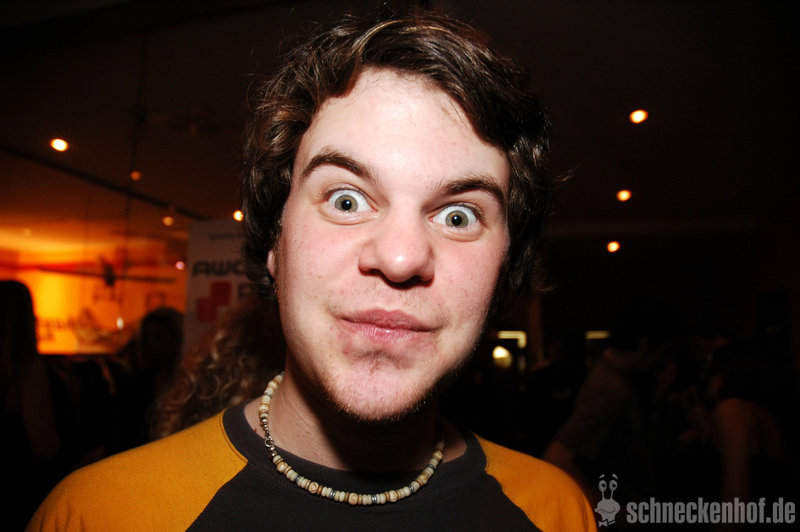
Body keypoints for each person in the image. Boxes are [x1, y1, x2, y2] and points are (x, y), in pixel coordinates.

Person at [28, 7, 595, 530]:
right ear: (274, 242)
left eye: (458, 216)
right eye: (346, 200)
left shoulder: (557, 513)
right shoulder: (100, 515)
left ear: (504, 269)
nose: (400, 258)